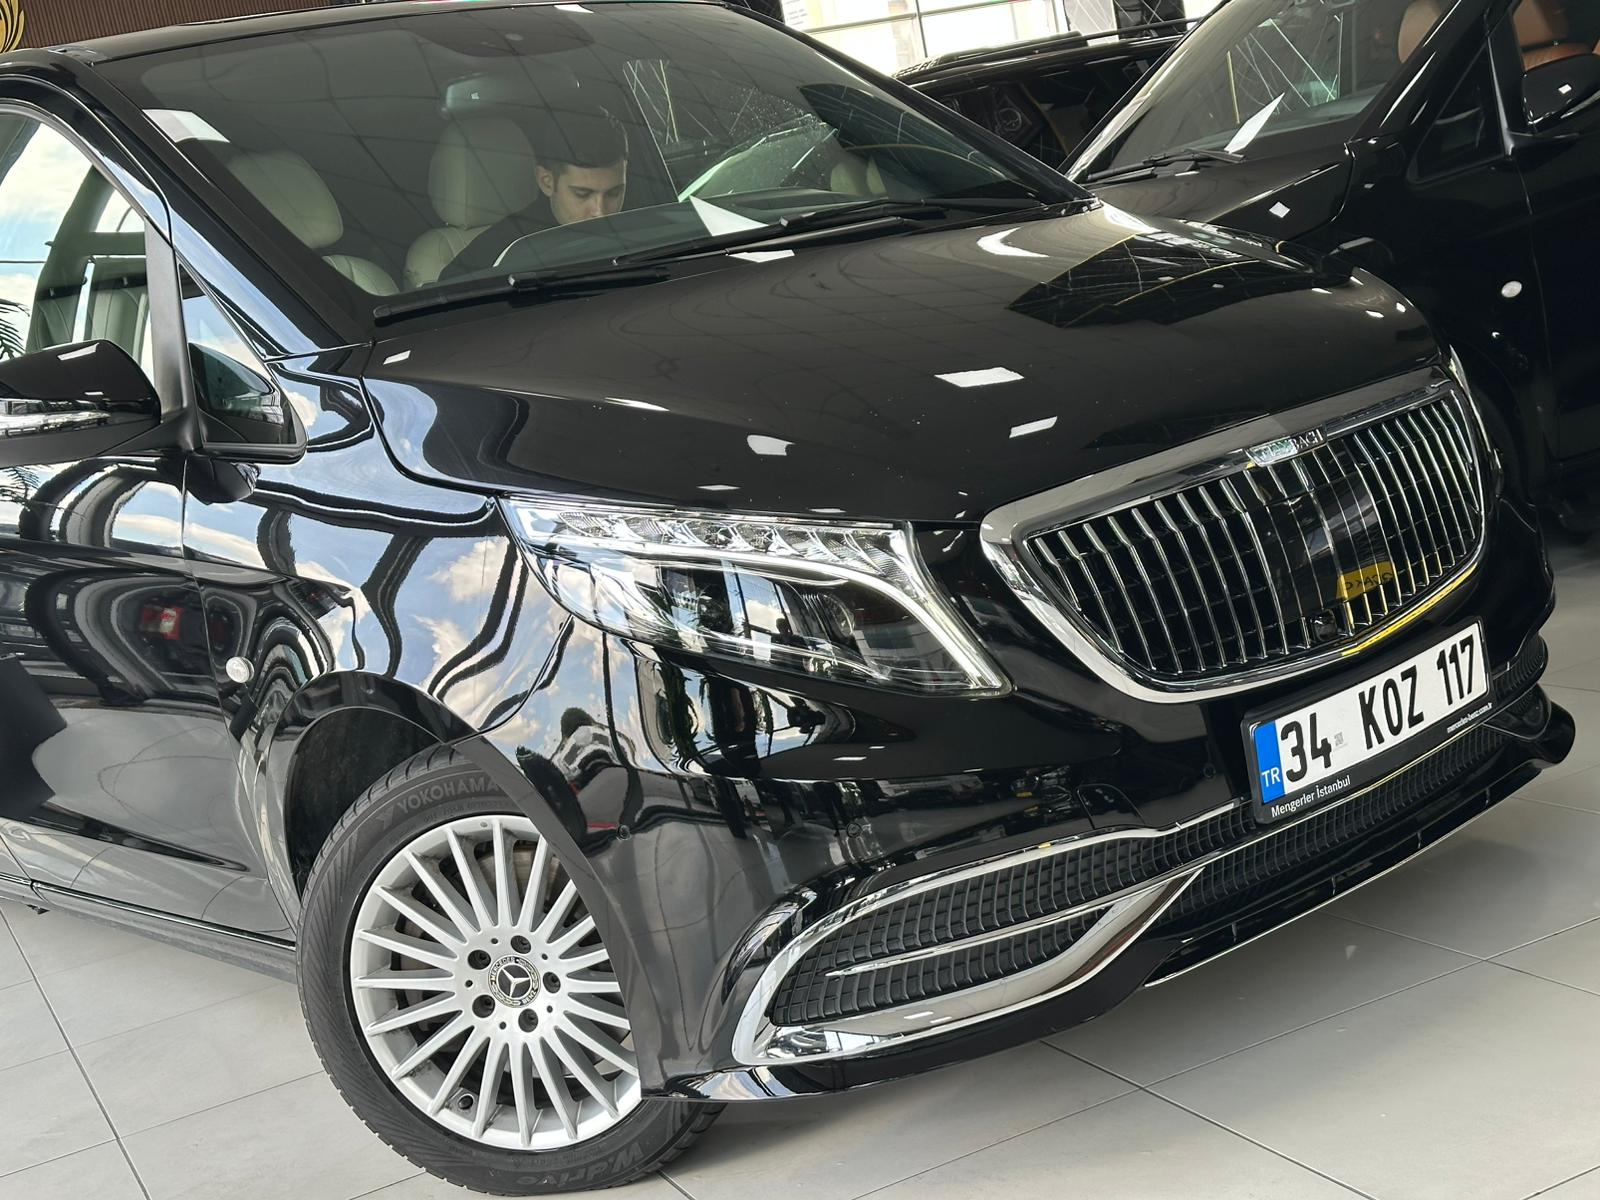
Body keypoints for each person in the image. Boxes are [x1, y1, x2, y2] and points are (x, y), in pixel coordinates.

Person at [445, 105, 629, 278]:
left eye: (614, 193)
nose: (600, 213)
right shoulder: (498, 254)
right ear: (546, 182)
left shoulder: (642, 228)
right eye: (583, 194)